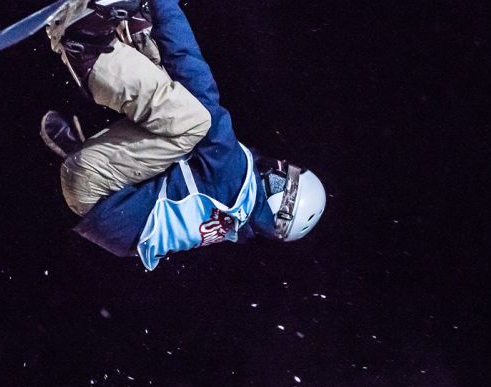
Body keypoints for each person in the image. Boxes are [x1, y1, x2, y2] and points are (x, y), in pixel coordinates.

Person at [40, 0, 326, 270]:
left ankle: (85, 47)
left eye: (281, 174)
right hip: (99, 197)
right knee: (177, 117)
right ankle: (137, 32)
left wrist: (165, 5)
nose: (274, 164)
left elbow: (194, 75)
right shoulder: (229, 218)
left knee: (192, 121)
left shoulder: (233, 175)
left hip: (99, 187)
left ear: (281, 198)